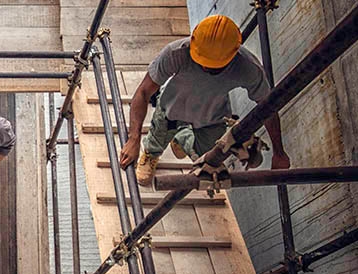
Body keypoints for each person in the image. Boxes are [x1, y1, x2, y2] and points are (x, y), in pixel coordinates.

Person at [119, 14, 291, 186]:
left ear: (233, 54)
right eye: (203, 61)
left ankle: (182, 138)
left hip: (212, 117)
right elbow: (143, 92)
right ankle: (151, 154)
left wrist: (279, 152)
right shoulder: (176, 53)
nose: (206, 67)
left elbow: (267, 107)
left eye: (214, 65)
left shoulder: (247, 68)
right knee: (158, 136)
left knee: (208, 159)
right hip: (172, 109)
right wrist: (133, 140)